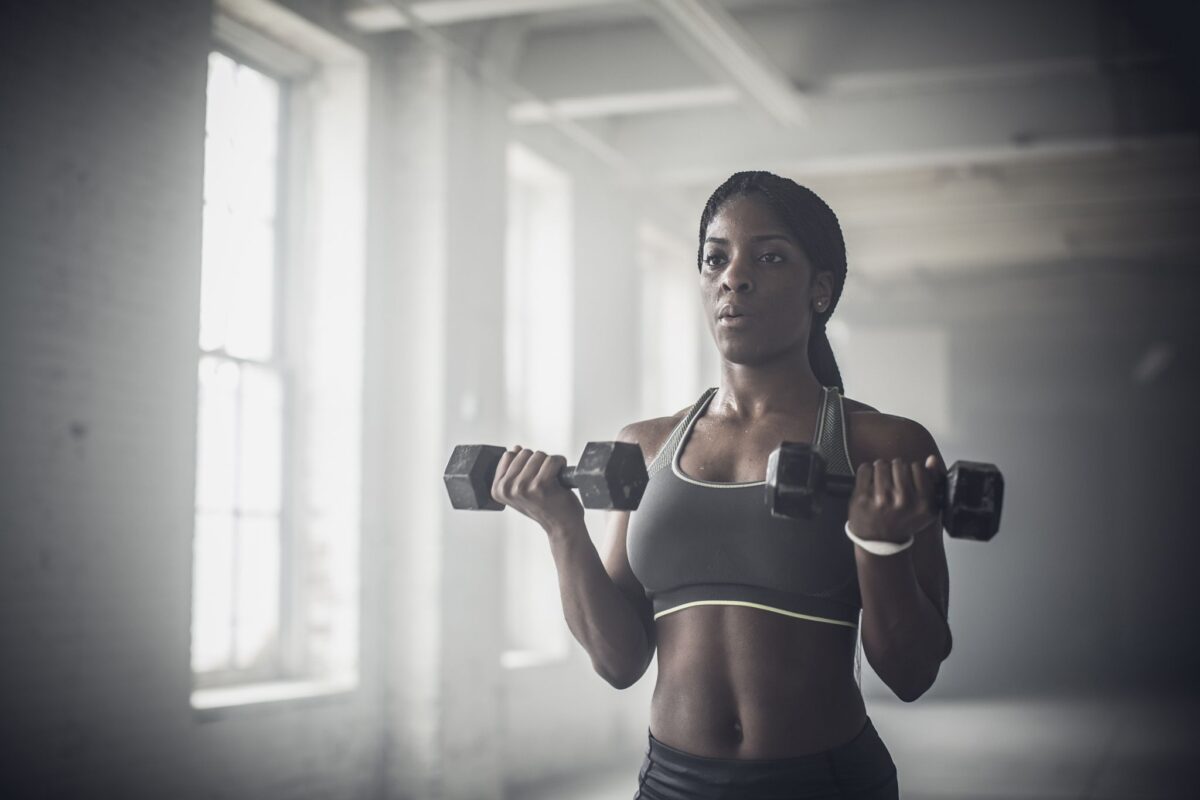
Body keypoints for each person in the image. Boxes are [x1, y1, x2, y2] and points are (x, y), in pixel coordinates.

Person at [490, 171, 952, 799]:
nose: (734, 276)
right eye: (715, 258)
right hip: (672, 786)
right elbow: (619, 661)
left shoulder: (882, 447)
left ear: (820, 289)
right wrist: (562, 526)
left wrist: (881, 546)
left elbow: (912, 673)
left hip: (824, 785)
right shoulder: (643, 448)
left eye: (768, 257)